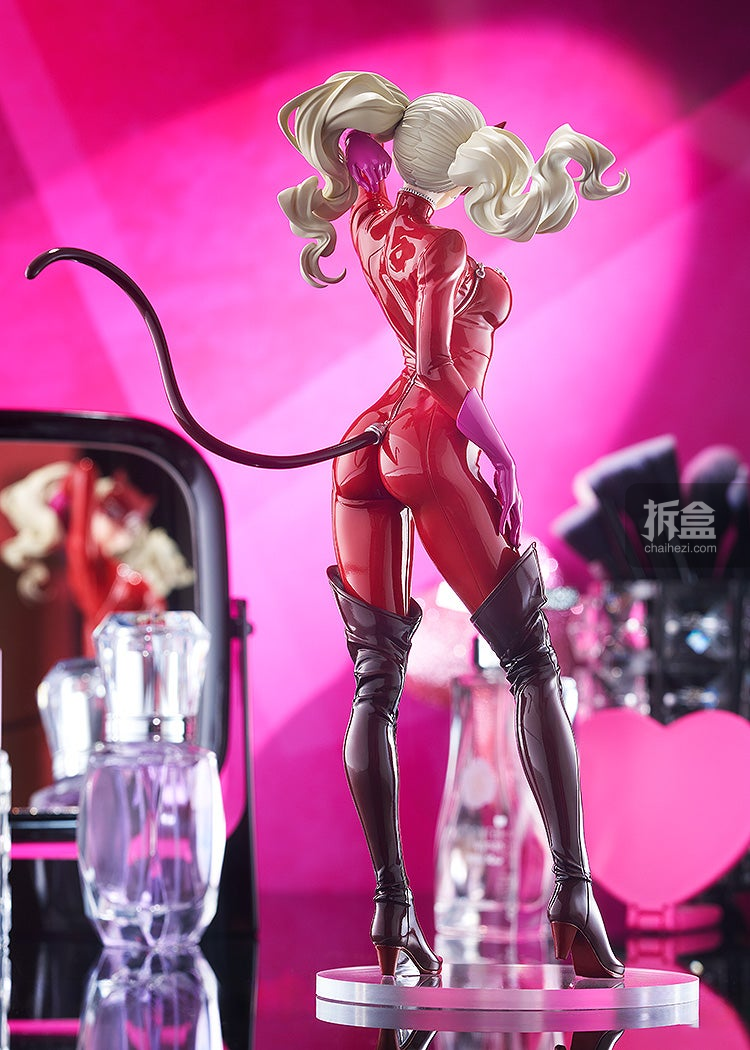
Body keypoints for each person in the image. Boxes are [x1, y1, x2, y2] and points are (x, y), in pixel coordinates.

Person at [278, 72, 629, 980]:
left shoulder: (372, 225)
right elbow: (439, 372)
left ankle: (392, 909)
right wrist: (498, 450)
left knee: (375, 684)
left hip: (363, 444)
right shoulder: (442, 245)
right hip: (428, 437)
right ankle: (574, 896)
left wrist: (367, 165)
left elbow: (366, 174)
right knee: (531, 663)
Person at [0, 458, 195, 655]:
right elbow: (85, 471)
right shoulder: (85, 569)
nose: (126, 522)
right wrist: (71, 490)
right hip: (121, 662)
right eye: (109, 511)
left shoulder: (129, 566)